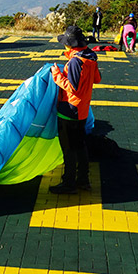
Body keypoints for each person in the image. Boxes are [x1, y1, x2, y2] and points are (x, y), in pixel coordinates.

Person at [49, 25, 101, 194]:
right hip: (83, 109)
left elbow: (73, 87)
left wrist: (57, 74)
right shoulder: (91, 58)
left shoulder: (75, 61)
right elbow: (97, 79)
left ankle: (69, 183)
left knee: (69, 148)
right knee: (80, 145)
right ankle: (83, 180)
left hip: (70, 109)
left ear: (70, 44)